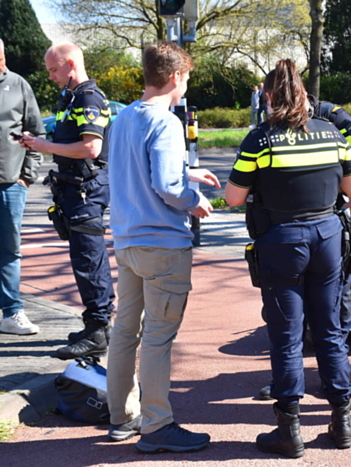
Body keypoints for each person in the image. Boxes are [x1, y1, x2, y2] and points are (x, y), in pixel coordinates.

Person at [226, 59, 351, 458]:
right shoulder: (331, 132)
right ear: (304, 95)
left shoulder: (260, 139)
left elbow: (233, 197)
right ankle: (342, 422)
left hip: (281, 242)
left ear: (268, 97)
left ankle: (289, 430)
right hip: (328, 238)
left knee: (287, 336)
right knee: (330, 330)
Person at [105, 41, 219, 453]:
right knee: (157, 337)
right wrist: (193, 200)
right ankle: (157, 426)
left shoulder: (122, 118)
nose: (185, 87)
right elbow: (167, 186)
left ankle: (122, 416)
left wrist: (187, 171)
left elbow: (134, 167)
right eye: (186, 79)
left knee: (125, 331)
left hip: (127, 240)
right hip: (162, 244)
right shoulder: (167, 122)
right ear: (175, 76)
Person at [256, 94, 351, 400]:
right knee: (287, 313)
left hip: (334, 226)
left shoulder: (334, 119)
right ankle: (290, 380)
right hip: (295, 232)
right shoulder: (273, 125)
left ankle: (333, 381)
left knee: (334, 308)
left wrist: (340, 213)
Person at [20, 42, 114, 359]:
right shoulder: (72, 97)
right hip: (74, 190)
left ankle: (98, 330)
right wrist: (40, 142)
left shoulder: (88, 98)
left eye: (53, 69)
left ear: (70, 63)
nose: (51, 76)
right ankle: (97, 325)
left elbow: (91, 148)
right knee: (85, 259)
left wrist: (45, 147)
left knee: (89, 261)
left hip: (85, 190)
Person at [0, 38, 44, 335]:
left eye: (0, 58)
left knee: (9, 250)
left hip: (11, 183)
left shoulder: (18, 85)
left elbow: (35, 132)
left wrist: (27, 176)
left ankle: (11, 312)